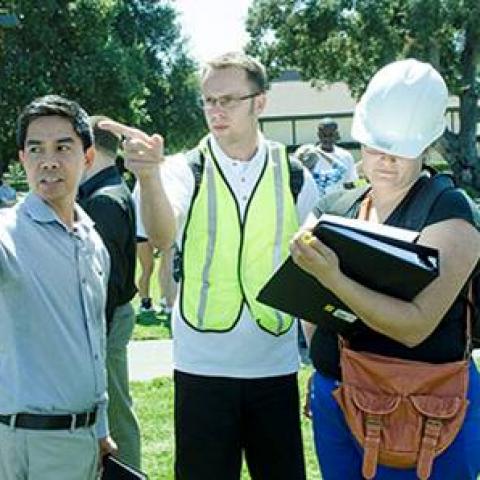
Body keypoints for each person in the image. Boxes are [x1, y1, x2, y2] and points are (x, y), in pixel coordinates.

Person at [101, 51, 319, 480]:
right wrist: (147, 176)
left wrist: (321, 359)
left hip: (273, 364)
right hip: (202, 365)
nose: (215, 111)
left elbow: (310, 269)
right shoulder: (185, 169)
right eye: (208, 101)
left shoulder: (294, 175)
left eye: (228, 100)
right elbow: (162, 237)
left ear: (260, 102)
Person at [290, 59, 480, 479]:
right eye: (376, 147)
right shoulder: (336, 206)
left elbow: (416, 326)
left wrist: (333, 279)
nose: (386, 161)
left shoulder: (450, 210)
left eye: (401, 151)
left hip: (427, 409)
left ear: (428, 146)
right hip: (337, 399)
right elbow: (306, 311)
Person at [0, 95, 116, 479]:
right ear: (22, 160)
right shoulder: (6, 233)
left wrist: (99, 428)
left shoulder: (92, 240)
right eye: (35, 149)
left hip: (84, 441)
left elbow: (95, 340)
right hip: (26, 443)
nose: (47, 160)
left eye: (62, 147)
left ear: (87, 157)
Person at [77, 115, 141, 469]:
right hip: (112, 316)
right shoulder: (109, 189)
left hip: (108, 319)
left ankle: (128, 472)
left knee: (115, 414)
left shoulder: (103, 199)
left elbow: (106, 281)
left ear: (88, 149)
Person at [295, 117, 357, 195]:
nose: (327, 139)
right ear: (318, 135)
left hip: (338, 203)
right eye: (323, 135)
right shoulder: (309, 155)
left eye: (331, 135)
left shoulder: (346, 156)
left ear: (337, 135)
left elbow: (350, 183)